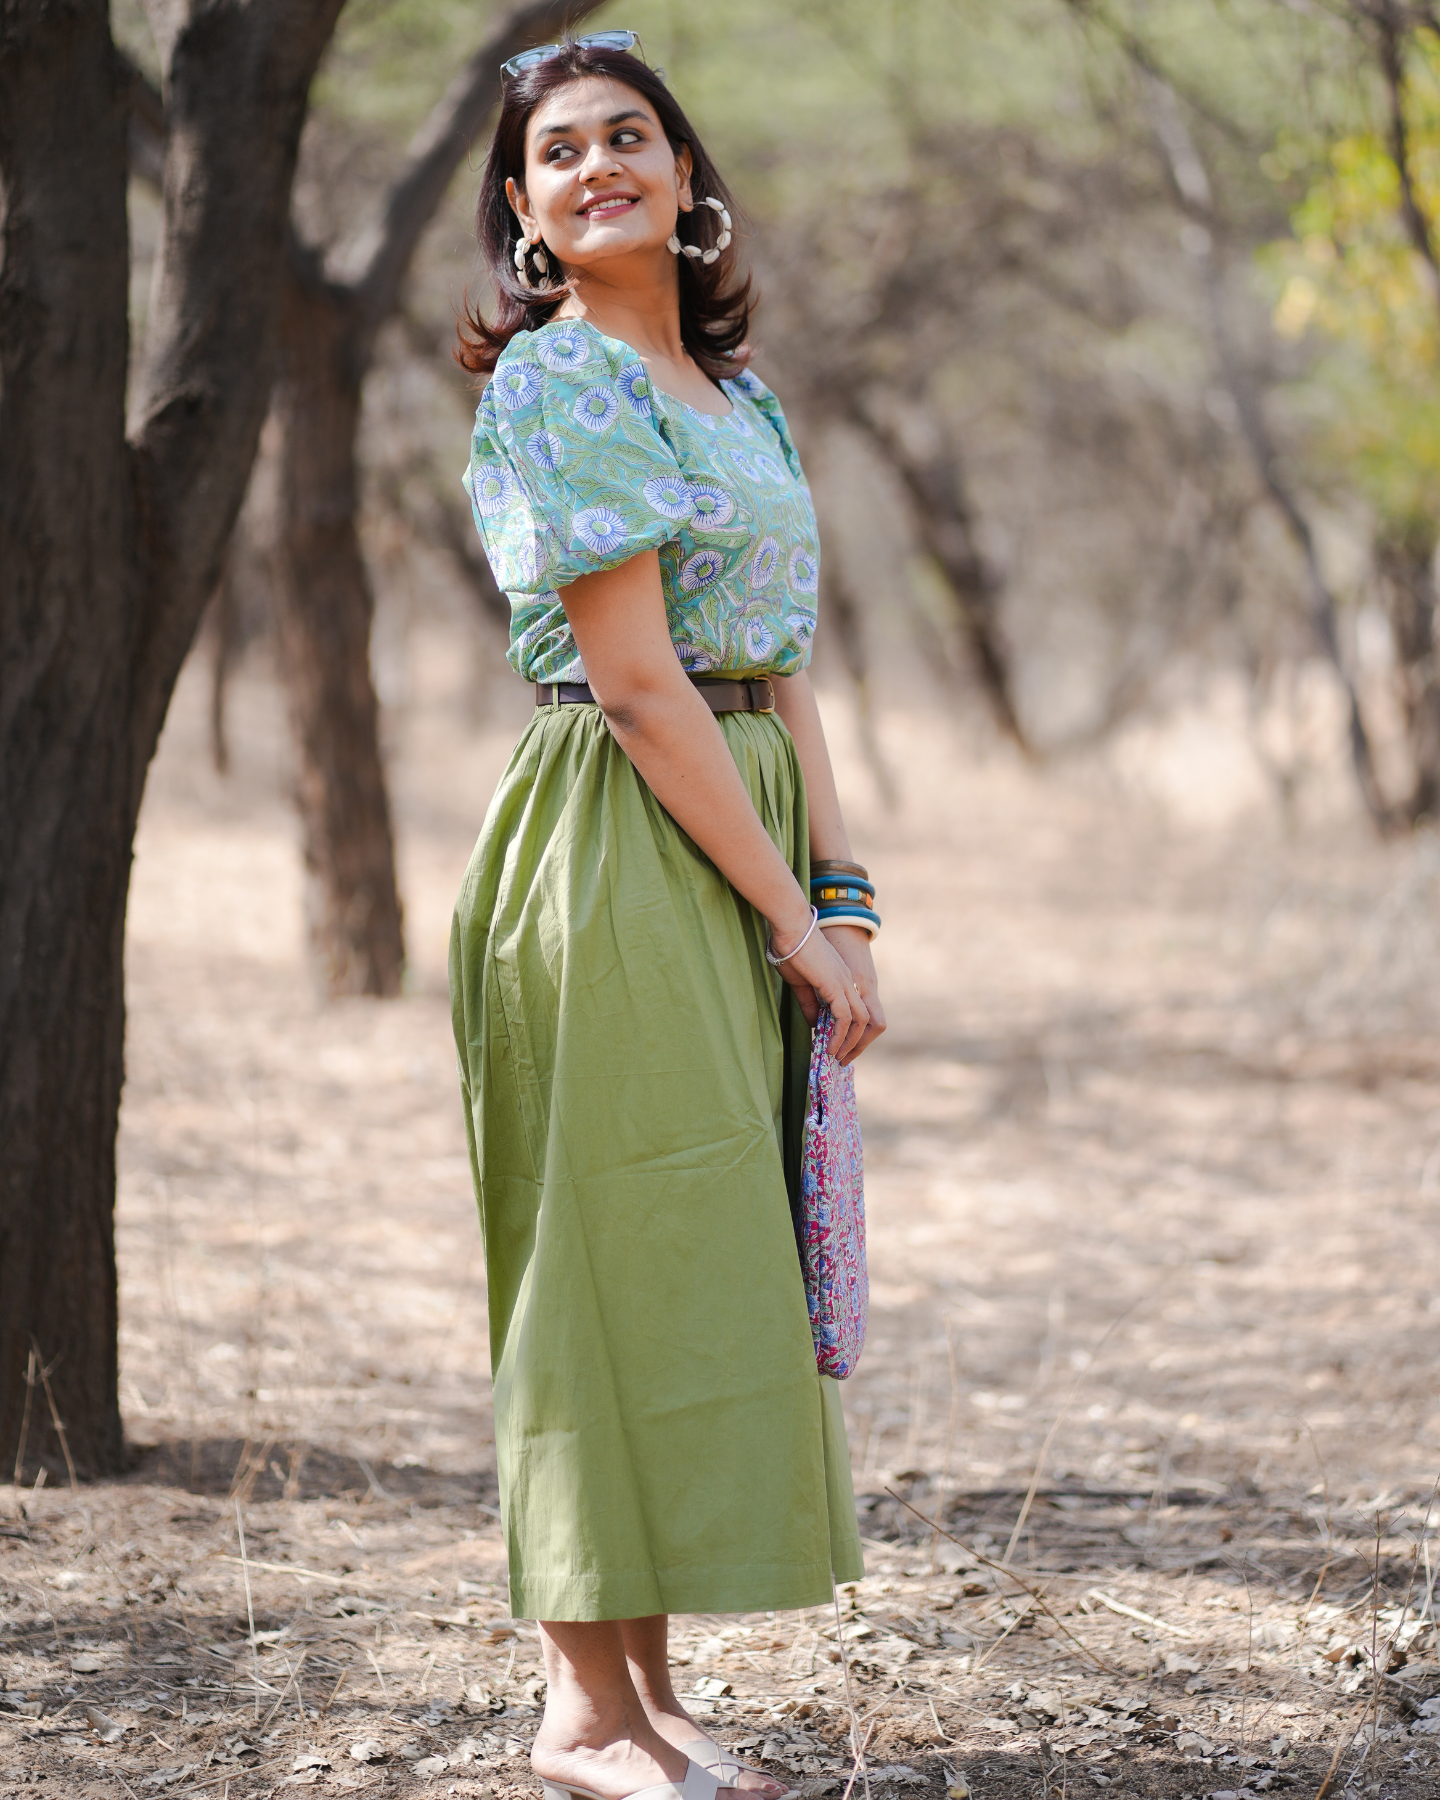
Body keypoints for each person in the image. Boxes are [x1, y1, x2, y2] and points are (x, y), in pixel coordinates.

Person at [450, 33, 887, 1800]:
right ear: (525, 208)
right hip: (622, 835)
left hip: (747, 821)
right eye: (560, 151)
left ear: (688, 178)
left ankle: (647, 1694)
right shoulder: (558, 385)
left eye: (632, 136)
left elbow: (780, 675)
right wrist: (790, 914)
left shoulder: (743, 394)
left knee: (703, 1244)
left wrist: (843, 896)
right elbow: (639, 683)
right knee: (605, 1250)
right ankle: (575, 1714)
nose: (600, 165)